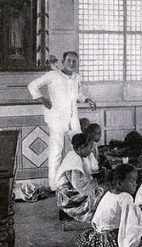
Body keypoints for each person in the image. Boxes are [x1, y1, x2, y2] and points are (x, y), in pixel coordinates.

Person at [27, 51, 97, 190]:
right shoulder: (53, 75)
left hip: (73, 118)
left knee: (80, 147)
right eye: (69, 61)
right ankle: (54, 185)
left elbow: (78, 95)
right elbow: (32, 85)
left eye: (74, 61)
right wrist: (42, 98)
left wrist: (86, 99)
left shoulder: (77, 77)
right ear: (63, 62)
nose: (71, 63)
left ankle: (83, 179)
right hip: (57, 119)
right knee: (56, 152)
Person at [76, 164, 142, 247]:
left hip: (98, 238)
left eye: (136, 181)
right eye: (132, 181)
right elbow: (135, 226)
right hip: (113, 243)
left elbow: (131, 215)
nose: (135, 184)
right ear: (119, 183)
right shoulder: (125, 197)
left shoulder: (109, 193)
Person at [56, 133, 108, 222]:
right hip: (68, 198)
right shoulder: (74, 161)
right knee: (103, 189)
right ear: (81, 148)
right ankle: (75, 212)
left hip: (67, 193)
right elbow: (80, 186)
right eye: (89, 148)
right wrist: (98, 181)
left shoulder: (75, 155)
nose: (91, 150)